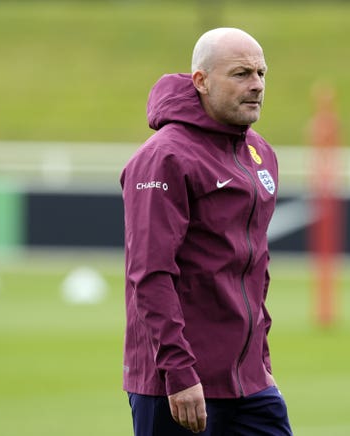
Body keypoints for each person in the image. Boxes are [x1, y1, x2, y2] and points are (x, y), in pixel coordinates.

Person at [120, 27, 293, 435]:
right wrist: (178, 373)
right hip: (178, 384)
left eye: (261, 73)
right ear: (201, 81)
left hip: (249, 385)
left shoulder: (260, 153)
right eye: (241, 74)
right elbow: (151, 274)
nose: (256, 86)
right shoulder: (164, 157)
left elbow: (255, 270)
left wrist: (261, 365)